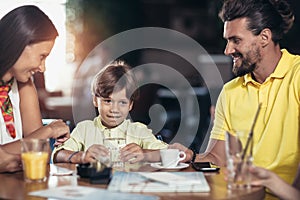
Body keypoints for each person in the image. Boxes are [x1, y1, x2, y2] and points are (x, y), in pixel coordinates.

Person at [171, 0, 299, 189]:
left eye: (236, 40)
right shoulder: (230, 92)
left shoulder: (296, 76)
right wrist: (191, 156)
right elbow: (217, 158)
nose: (227, 50)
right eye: (227, 40)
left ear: (264, 37)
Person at [52, 60, 168, 164]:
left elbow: (172, 154)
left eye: (122, 102)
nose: (114, 109)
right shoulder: (84, 129)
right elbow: (57, 154)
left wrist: (145, 154)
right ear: (95, 101)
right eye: (108, 101)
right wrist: (81, 157)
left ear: (130, 105)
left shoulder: (139, 131)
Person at [0, 5, 70, 172]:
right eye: (42, 57)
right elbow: (36, 147)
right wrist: (48, 131)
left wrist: (5, 156)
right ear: (20, 44)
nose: (42, 68)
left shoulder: (25, 85)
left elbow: (42, 151)